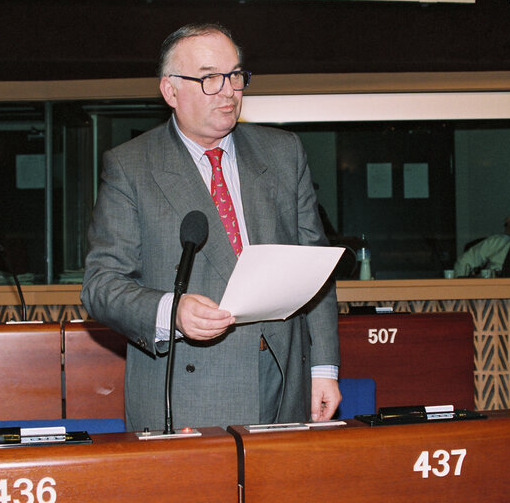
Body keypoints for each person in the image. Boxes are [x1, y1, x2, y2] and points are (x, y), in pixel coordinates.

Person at [81, 23, 341, 431]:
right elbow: (101, 285)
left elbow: (315, 268)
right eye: (209, 78)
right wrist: (173, 311)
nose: (228, 90)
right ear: (170, 91)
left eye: (236, 75)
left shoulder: (284, 152)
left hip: (283, 379)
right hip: (190, 389)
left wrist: (323, 367)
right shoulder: (131, 166)